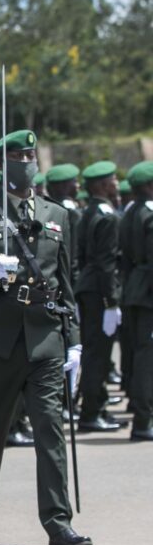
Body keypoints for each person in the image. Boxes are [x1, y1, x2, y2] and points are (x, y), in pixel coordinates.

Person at [0, 129, 91, 545]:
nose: (27, 162)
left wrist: (74, 341)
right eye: (17, 155)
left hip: (44, 337)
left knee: (50, 432)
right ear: (1, 164)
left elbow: (64, 282)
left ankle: (58, 525)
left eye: (31, 155)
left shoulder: (57, 214)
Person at [75, 161, 125, 432]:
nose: (117, 183)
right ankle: (92, 412)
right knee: (98, 354)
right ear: (102, 186)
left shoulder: (90, 212)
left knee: (93, 351)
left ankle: (96, 405)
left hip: (88, 286)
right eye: (113, 179)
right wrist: (111, 301)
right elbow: (107, 264)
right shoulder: (106, 216)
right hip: (99, 291)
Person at [119, 161, 153, 441]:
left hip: (136, 289)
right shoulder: (150, 214)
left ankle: (143, 417)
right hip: (149, 293)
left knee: (141, 353)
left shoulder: (130, 212)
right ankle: (144, 421)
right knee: (147, 358)